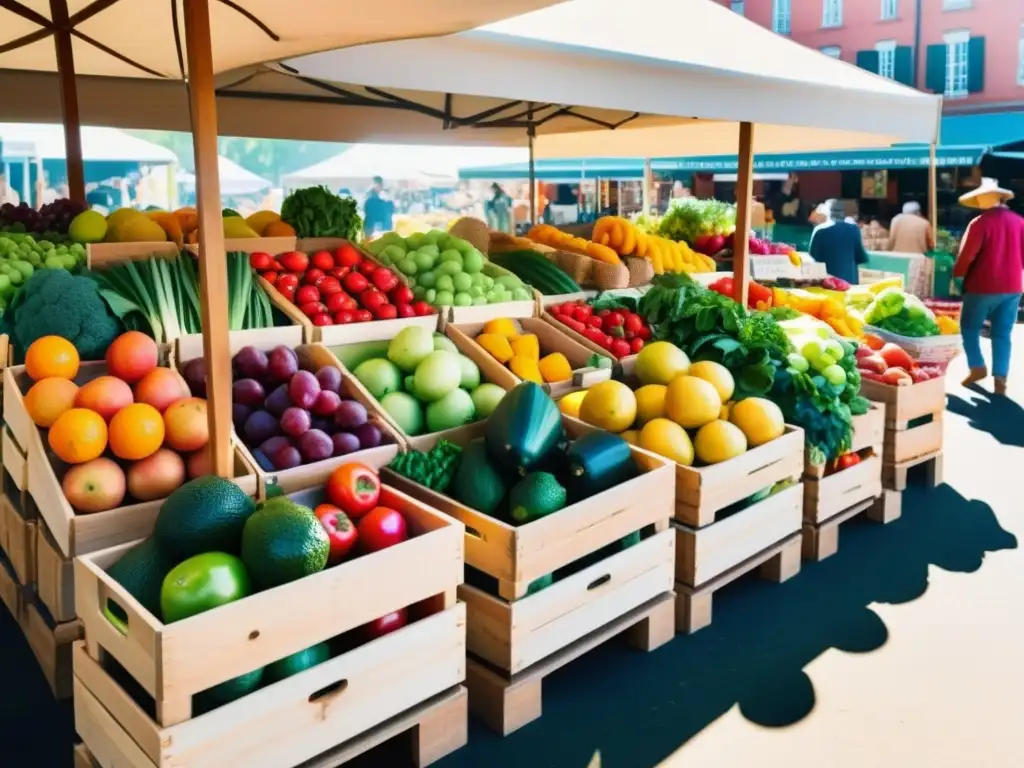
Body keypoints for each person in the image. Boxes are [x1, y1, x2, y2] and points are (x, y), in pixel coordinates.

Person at [953, 179, 1024, 394]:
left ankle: (977, 366)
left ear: (990, 198)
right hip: (1013, 286)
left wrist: (958, 277)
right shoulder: (1020, 222)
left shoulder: (980, 223)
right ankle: (1000, 378)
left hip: (982, 286)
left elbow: (966, 257)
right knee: (1002, 333)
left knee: (968, 327)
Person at [807, 199, 869, 285]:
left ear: (827, 212)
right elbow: (861, 257)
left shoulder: (819, 230)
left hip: (826, 286)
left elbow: (812, 259)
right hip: (849, 285)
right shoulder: (854, 229)